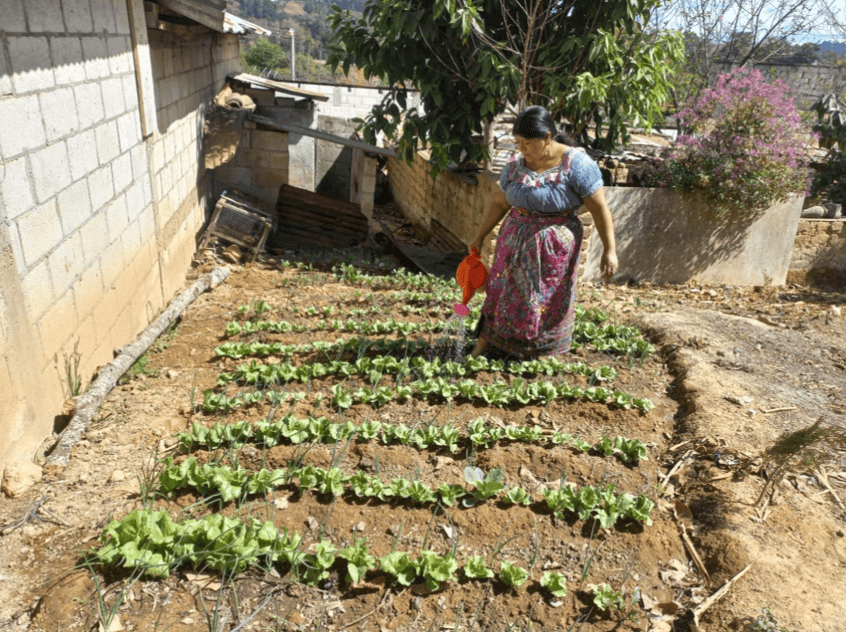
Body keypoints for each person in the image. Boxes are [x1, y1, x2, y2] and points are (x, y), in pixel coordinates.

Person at [468, 105, 618, 359]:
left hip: (553, 249)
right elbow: (499, 203)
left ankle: (539, 352)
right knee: (500, 290)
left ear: (547, 137)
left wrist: (610, 250)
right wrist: (480, 235)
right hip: (512, 241)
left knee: (541, 298)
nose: (521, 149)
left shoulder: (577, 165)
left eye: (527, 143)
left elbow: (600, 209)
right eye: (518, 142)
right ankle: (485, 344)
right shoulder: (516, 167)